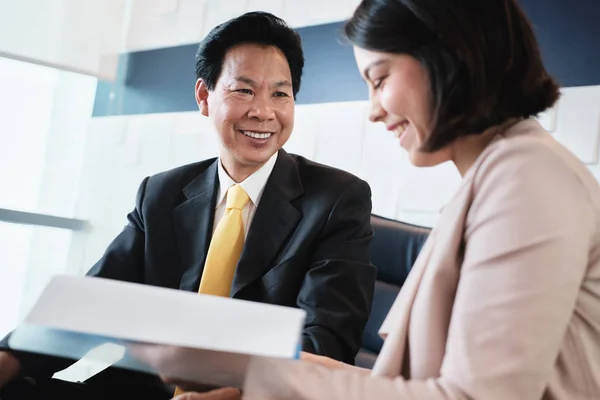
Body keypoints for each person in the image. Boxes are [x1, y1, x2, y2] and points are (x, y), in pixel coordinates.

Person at [179, 0, 600, 399]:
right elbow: (410, 384)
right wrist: (245, 368)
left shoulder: (526, 179)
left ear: (451, 55)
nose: (374, 111)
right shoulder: (497, 176)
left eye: (380, 80)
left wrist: (261, 378)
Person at [0, 12, 377, 400]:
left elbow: (327, 340)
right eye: (244, 90)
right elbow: (94, 300)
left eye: (280, 94)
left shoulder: (336, 199)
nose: (263, 111)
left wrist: (231, 395)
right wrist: (10, 355)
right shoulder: (163, 192)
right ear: (203, 96)